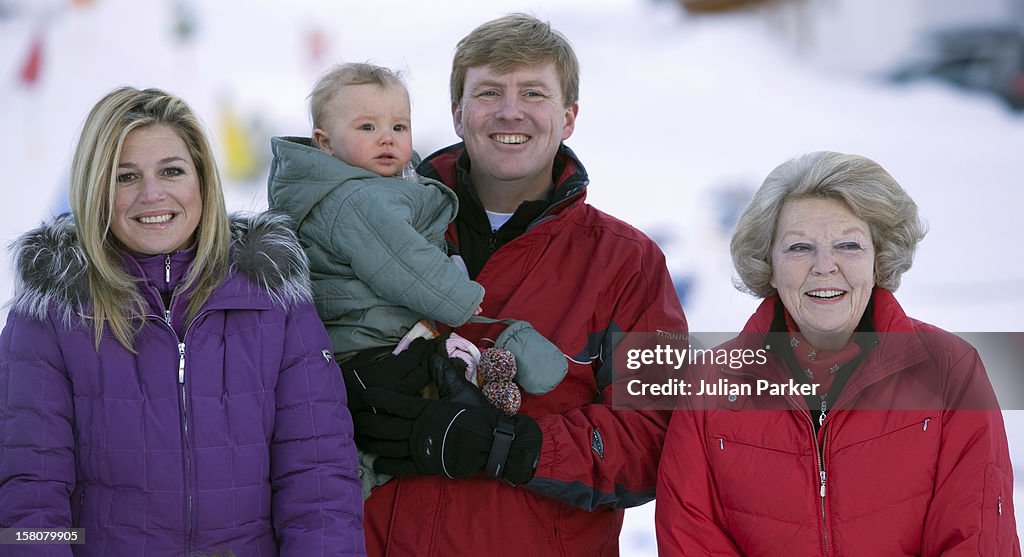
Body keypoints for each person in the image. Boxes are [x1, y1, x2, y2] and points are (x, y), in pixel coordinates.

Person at [351, 14, 688, 555]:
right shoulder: (368, 231)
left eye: (533, 92)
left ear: (569, 116)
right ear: (458, 114)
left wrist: (514, 447)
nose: (510, 111)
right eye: (489, 92)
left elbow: (656, 435)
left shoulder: (628, 263)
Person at [0, 87, 365, 556]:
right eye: (124, 176)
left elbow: (318, 484)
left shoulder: (273, 296)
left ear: (202, 180)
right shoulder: (53, 311)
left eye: (172, 171)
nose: (152, 195)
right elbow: (28, 501)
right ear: (96, 188)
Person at [656, 151, 1020, 555]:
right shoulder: (710, 384)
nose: (824, 266)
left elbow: (979, 536)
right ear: (769, 264)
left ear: (878, 260)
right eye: (798, 248)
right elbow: (691, 539)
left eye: (849, 245)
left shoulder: (950, 370)